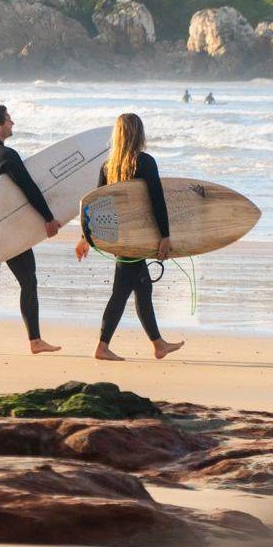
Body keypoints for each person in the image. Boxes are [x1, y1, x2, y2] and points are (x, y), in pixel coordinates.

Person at [76, 113, 185, 361]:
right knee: (121, 292)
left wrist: (86, 237)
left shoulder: (108, 166)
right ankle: (103, 347)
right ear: (139, 134)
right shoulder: (145, 162)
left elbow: (95, 206)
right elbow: (157, 201)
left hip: (120, 238)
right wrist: (165, 236)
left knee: (141, 289)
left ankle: (158, 344)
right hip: (137, 238)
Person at [0, 104, 63, 355]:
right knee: (28, 281)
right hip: (9, 231)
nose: (12, 123)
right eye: (8, 120)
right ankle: (35, 341)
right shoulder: (8, 156)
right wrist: (49, 218)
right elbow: (29, 189)